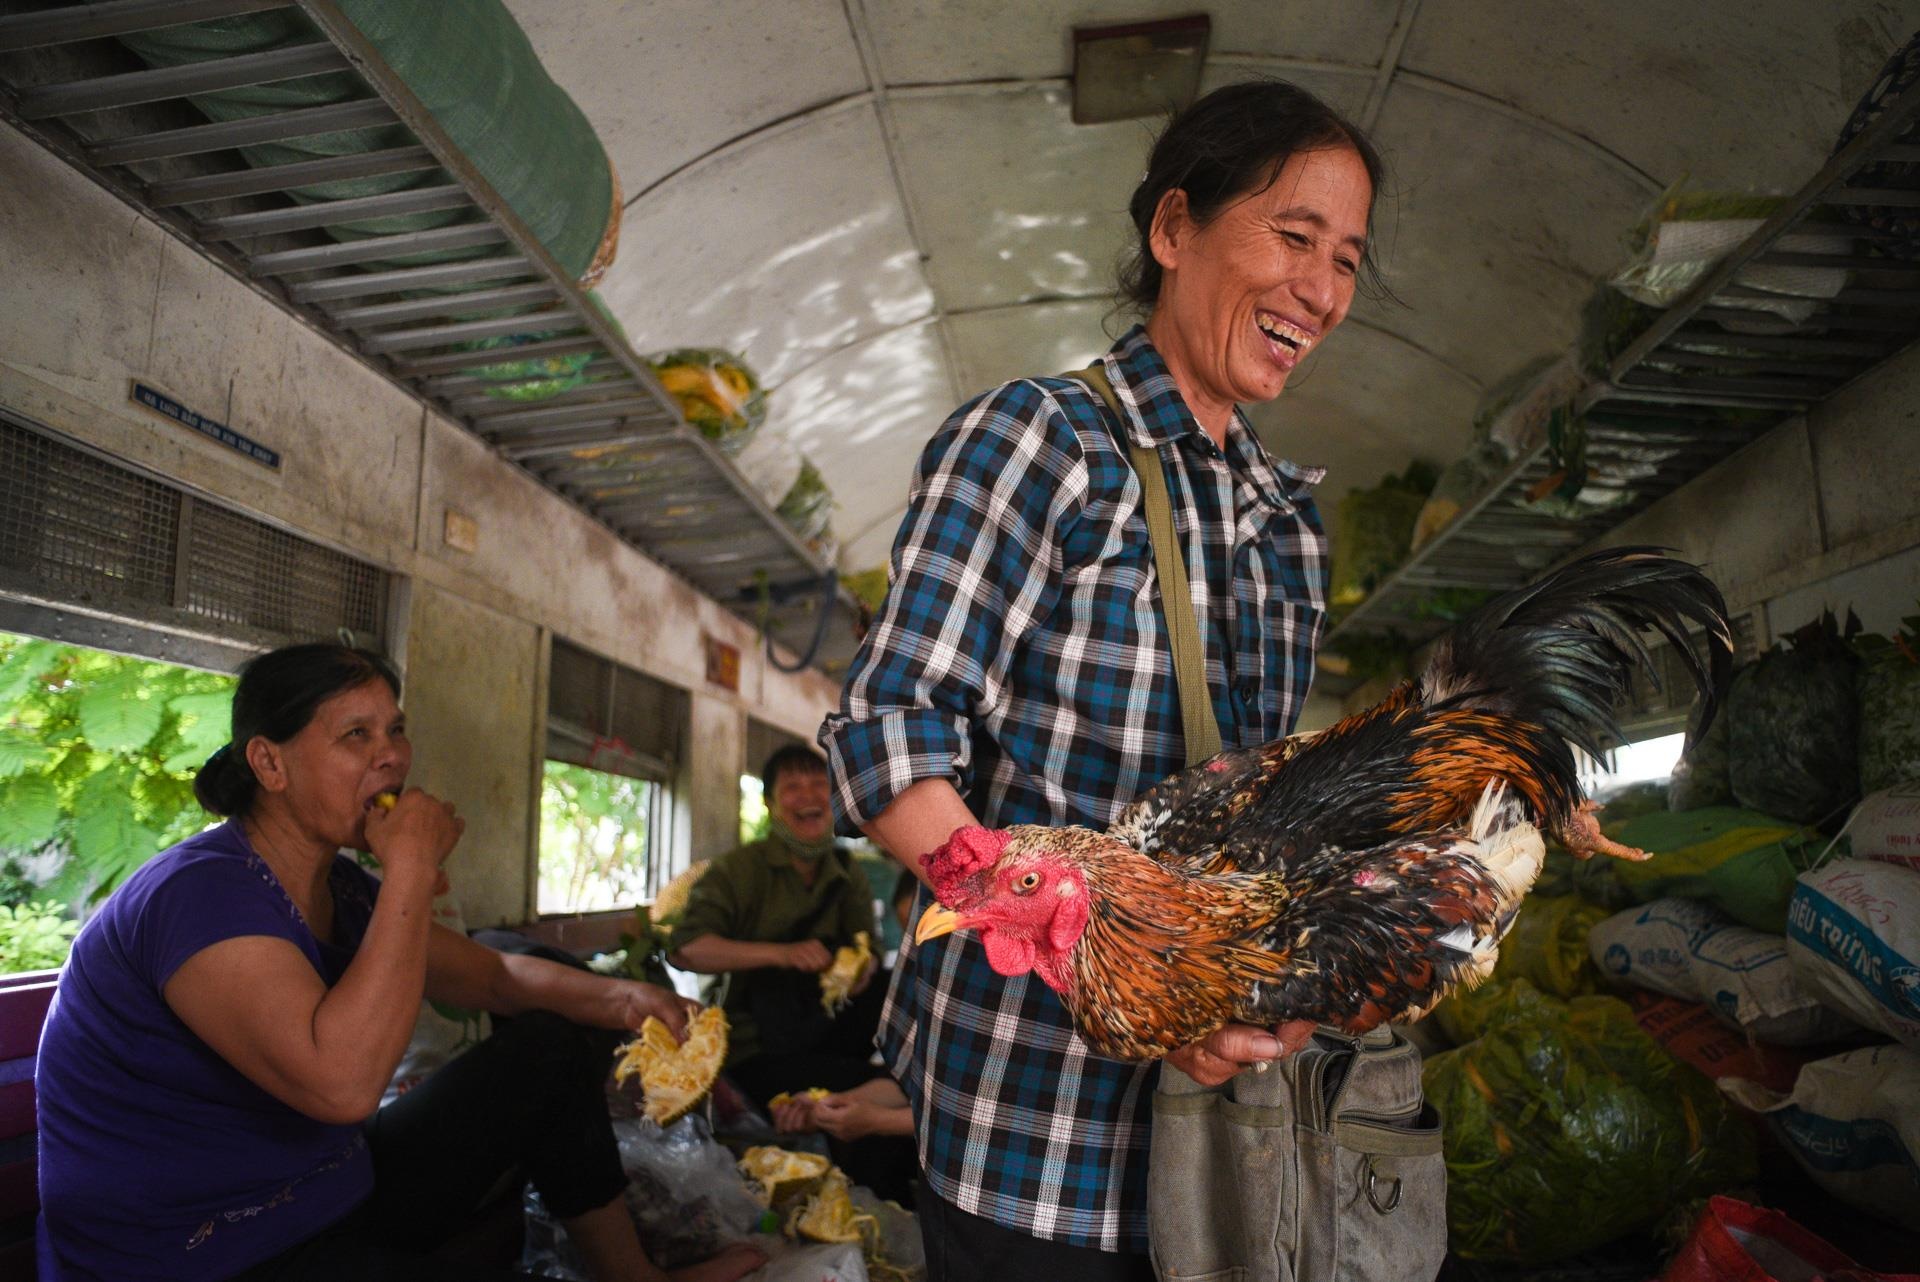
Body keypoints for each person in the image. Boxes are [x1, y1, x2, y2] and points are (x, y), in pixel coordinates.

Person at [820, 79, 1383, 1279]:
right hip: (1033, 1127)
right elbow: (885, 737)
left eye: (1346, 260)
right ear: (1174, 230)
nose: (1321, 290)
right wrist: (1122, 976)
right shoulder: (1042, 443)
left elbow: (1249, 815)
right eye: (1292, 237)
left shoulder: (1292, 526)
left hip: (1211, 1138)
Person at [33, 643, 764, 1282]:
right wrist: (411, 867)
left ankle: (630, 1275)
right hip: (200, 1256)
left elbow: (495, 977)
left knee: (543, 1046)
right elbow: (341, 1088)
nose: (391, 755)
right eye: (356, 734)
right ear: (269, 762)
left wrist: (628, 1002)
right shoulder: (200, 894)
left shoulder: (340, 886)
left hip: (321, 1201)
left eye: (395, 729)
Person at [667, 745, 915, 1204]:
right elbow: (686, 949)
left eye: (819, 784)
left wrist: (854, 973)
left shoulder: (847, 872)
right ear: (770, 803)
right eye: (792, 787)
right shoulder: (738, 871)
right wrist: (780, 955)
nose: (808, 797)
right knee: (882, 1106)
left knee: (888, 990)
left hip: (824, 1026)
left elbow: (869, 951)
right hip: (757, 1043)